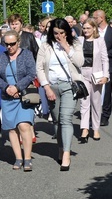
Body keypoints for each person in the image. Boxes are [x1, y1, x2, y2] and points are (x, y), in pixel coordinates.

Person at [36, 18, 85, 171]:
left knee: (66, 119)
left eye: (62, 33)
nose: (58, 36)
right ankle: (60, 147)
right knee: (57, 121)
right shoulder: (45, 46)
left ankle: (66, 153)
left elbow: (80, 62)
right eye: (56, 33)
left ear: (67, 32)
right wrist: (46, 87)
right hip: (52, 86)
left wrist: (65, 46)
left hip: (69, 86)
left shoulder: (75, 44)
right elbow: (39, 69)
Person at [0, 30, 38, 171]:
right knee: (12, 128)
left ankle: (27, 158)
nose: (10, 47)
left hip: (23, 95)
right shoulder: (1, 57)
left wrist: (17, 87)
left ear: (18, 42)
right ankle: (18, 158)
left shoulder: (27, 54)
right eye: (7, 44)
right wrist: (7, 88)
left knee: (24, 125)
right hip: (7, 97)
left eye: (12, 44)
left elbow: (32, 73)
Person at [78, 18, 109, 143]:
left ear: (94, 29)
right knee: (84, 102)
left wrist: (105, 76)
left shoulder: (100, 41)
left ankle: (95, 128)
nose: (86, 30)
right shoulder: (79, 41)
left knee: (96, 102)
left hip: (96, 74)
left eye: (88, 28)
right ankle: (84, 128)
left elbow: (105, 59)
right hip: (83, 73)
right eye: (84, 28)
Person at [92, 10, 112, 126]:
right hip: (95, 66)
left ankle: (105, 115)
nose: (93, 20)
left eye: (94, 18)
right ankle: (94, 113)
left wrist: (102, 54)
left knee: (107, 91)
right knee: (94, 90)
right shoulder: (93, 32)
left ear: (101, 18)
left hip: (109, 65)